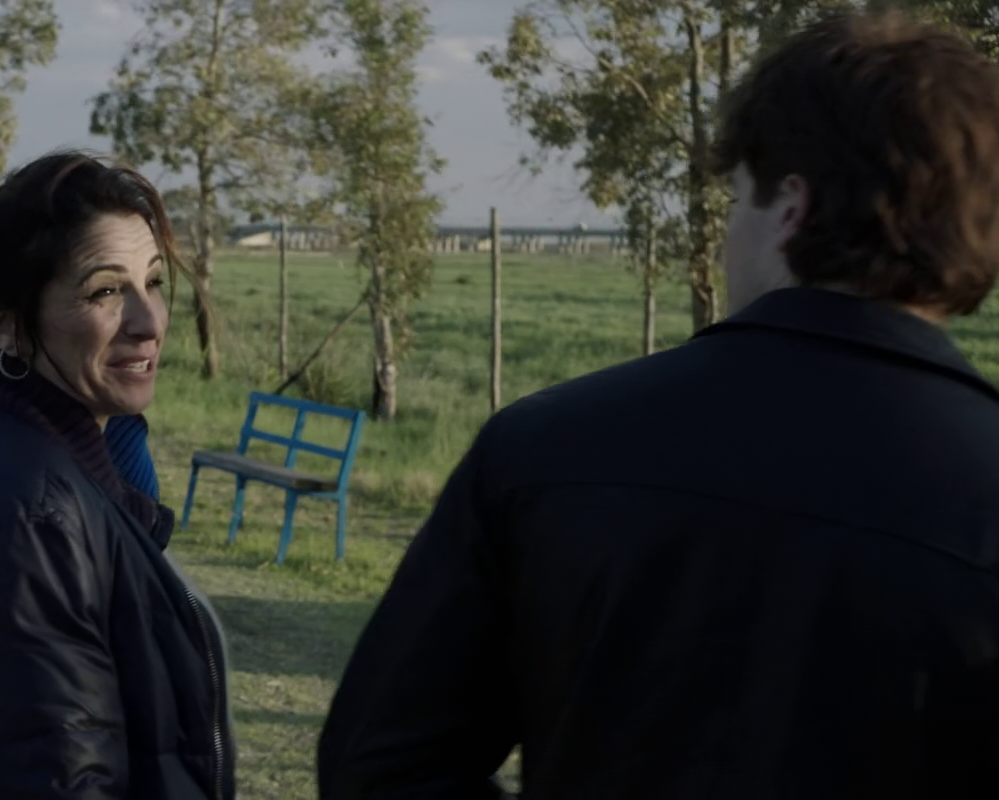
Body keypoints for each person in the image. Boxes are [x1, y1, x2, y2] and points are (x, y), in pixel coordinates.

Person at [316, 11, 999, 798]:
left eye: (737, 199)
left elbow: (381, 767)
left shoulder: (545, 448)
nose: (727, 236)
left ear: (790, 210)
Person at [0, 151, 233, 799]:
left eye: (153, 282)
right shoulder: (32, 511)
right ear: (5, 326)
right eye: (105, 291)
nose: (149, 322)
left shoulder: (28, 456)